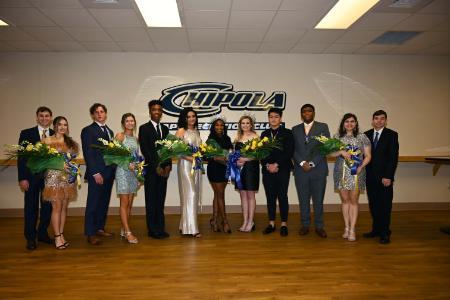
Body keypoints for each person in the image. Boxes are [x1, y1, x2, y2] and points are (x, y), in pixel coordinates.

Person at [18, 106, 54, 250]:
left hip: (49, 178)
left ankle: (42, 233)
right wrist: (22, 178)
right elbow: (22, 157)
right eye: (41, 116)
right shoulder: (26, 133)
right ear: (37, 117)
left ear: (51, 118)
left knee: (47, 207)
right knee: (31, 208)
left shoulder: (55, 134)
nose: (44, 118)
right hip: (31, 177)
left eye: (47, 116)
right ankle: (30, 237)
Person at [332, 113, 371, 242]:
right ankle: (346, 228)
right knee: (345, 200)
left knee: (353, 200)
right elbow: (330, 153)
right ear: (343, 123)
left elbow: (368, 156)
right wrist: (341, 152)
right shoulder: (337, 137)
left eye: (352, 121)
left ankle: (353, 229)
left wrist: (360, 167)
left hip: (356, 172)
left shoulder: (362, 137)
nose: (349, 124)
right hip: (341, 171)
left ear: (356, 123)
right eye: (347, 121)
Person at [292, 104, 330, 238]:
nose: (307, 113)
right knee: (303, 199)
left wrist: (312, 163)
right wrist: (302, 162)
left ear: (313, 112)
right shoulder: (295, 129)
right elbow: (293, 150)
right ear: (301, 114)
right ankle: (305, 225)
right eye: (304, 111)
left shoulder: (323, 127)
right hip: (300, 170)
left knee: (318, 200)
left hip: (318, 170)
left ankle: (319, 226)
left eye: (309, 111)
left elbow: (325, 148)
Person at [81, 103, 116, 245]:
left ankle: (99, 228)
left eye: (102, 111)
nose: (100, 114)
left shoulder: (110, 131)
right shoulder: (88, 130)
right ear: (92, 115)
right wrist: (95, 172)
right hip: (97, 174)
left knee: (103, 202)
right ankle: (90, 233)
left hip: (109, 173)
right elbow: (88, 153)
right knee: (93, 203)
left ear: (106, 114)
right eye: (97, 112)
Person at [42, 116, 78, 250]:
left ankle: (61, 234)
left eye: (65, 125)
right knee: (56, 207)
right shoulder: (47, 141)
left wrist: (73, 169)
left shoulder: (70, 142)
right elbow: (43, 161)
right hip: (53, 177)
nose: (63, 127)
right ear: (55, 125)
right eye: (60, 124)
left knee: (64, 207)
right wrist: (58, 164)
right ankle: (57, 237)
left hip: (67, 178)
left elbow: (71, 159)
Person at [364, 110, 399, 244]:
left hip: (385, 178)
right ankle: (376, 229)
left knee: (385, 205)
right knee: (373, 205)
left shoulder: (392, 135)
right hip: (370, 177)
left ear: (385, 120)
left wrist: (388, 176)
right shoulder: (366, 135)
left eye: (382, 119)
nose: (379, 121)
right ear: (372, 120)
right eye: (376, 118)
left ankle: (385, 233)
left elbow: (392, 158)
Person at [139, 100, 171, 239]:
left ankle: (160, 228)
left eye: (159, 109)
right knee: (151, 200)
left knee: (160, 199)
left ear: (162, 112)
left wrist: (168, 165)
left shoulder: (165, 129)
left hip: (164, 171)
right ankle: (152, 230)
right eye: (154, 109)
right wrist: (156, 166)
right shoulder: (144, 128)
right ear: (150, 111)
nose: (157, 112)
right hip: (152, 170)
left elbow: (168, 149)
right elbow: (146, 150)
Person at [260, 108, 294, 237]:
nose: (273, 119)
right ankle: (272, 223)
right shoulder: (264, 134)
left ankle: (284, 224)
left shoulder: (287, 133)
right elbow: (261, 153)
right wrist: (268, 165)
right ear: (268, 118)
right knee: (270, 197)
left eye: (276, 116)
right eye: (271, 117)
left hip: (282, 169)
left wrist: (277, 164)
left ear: (280, 118)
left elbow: (289, 152)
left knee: (282, 196)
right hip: (267, 170)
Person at [175, 108, 202, 238]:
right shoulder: (181, 131)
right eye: (189, 116)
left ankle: (184, 225)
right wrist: (192, 159)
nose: (191, 119)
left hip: (195, 167)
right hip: (185, 166)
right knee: (190, 194)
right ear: (184, 118)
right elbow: (177, 152)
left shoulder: (196, 131)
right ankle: (192, 229)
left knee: (193, 196)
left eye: (193, 116)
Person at [115, 113, 139, 244]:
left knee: (129, 203)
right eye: (127, 121)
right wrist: (126, 164)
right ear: (123, 123)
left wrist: (139, 172)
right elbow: (112, 155)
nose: (130, 123)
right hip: (122, 172)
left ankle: (124, 229)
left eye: (132, 121)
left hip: (133, 173)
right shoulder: (120, 136)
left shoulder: (136, 138)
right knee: (124, 203)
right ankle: (128, 232)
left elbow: (137, 157)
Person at [206, 116, 233, 233]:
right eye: (217, 125)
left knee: (217, 195)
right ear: (213, 127)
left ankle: (214, 220)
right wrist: (216, 157)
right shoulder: (210, 139)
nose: (219, 127)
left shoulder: (227, 138)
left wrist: (230, 156)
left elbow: (231, 153)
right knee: (220, 195)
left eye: (221, 125)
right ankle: (225, 221)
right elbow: (206, 156)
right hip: (214, 169)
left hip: (224, 169)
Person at [234, 115, 259, 233]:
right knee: (242, 195)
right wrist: (235, 161)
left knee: (250, 195)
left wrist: (245, 160)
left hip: (251, 168)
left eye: (247, 123)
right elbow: (235, 154)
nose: (245, 125)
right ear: (240, 125)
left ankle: (251, 221)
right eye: (243, 123)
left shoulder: (255, 137)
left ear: (251, 124)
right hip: (240, 169)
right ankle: (245, 221)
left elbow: (257, 155)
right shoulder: (239, 137)